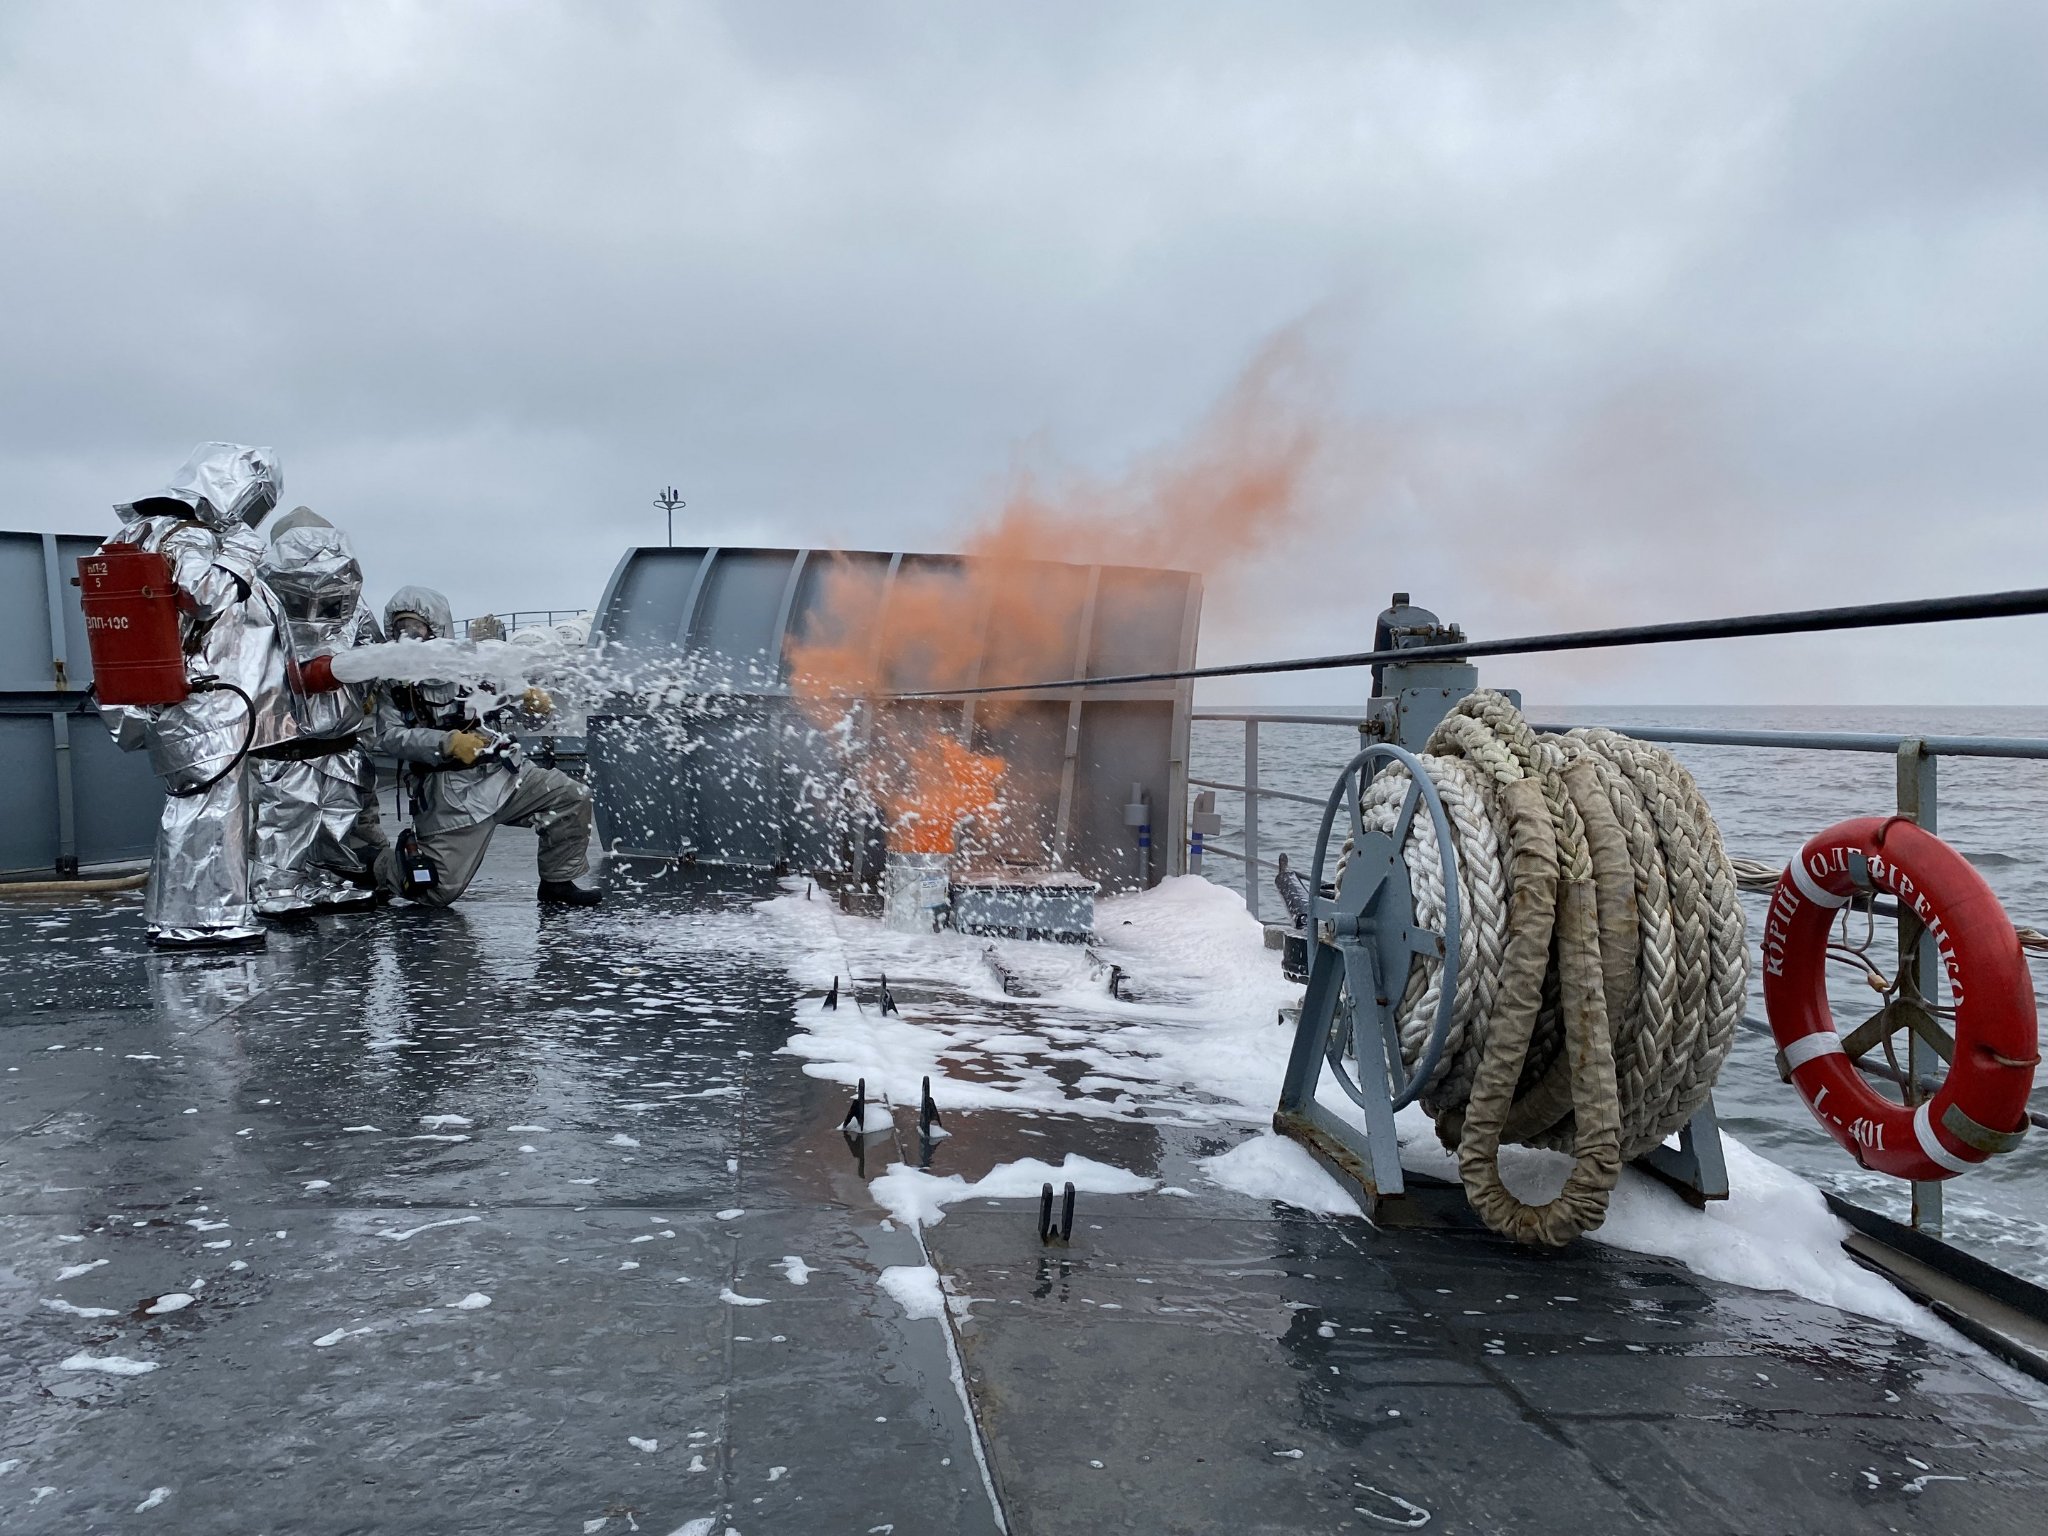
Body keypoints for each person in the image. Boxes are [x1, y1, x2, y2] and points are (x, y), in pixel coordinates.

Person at [98, 442, 298, 947]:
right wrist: (241, 551)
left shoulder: (140, 532)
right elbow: (204, 598)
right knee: (213, 812)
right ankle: (207, 920)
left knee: (189, 807)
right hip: (202, 702)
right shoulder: (191, 537)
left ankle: (179, 912)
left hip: (165, 698)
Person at [364, 584, 601, 907]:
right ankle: (376, 866)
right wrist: (447, 743)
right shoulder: (395, 684)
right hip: (450, 794)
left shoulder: (475, 664)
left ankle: (558, 882)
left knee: (571, 798)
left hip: (503, 774)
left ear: (437, 627)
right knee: (437, 892)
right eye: (401, 628)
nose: (409, 635)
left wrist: (532, 704)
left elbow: (521, 708)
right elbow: (389, 737)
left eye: (416, 627)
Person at [250, 507, 390, 915]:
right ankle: (275, 888)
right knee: (287, 817)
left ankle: (326, 879)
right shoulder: (259, 604)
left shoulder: (354, 607)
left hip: (341, 742)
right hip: (287, 744)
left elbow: (372, 652)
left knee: (335, 818)